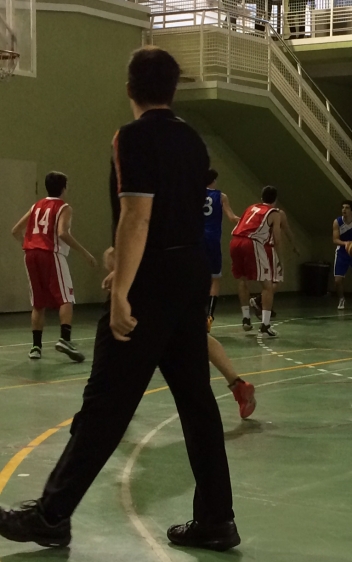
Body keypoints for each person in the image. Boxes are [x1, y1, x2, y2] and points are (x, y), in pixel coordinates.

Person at [0, 47, 240, 551]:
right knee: (197, 403)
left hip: (152, 284)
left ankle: (51, 515)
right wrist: (122, 256)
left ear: (129, 87)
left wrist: (122, 289)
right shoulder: (193, 140)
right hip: (189, 276)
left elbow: (138, 216)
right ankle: (217, 519)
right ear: (172, 89)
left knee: (105, 404)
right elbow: (171, 217)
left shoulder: (131, 137)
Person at [102, 248, 256, 420]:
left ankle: (117, 399)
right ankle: (237, 385)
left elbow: (152, 242)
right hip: (182, 269)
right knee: (191, 333)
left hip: (174, 269)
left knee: (169, 337)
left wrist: (125, 271)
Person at [10, 172, 97, 362]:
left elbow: (15, 230)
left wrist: (29, 244)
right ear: (64, 188)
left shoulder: (36, 206)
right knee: (67, 297)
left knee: (38, 302)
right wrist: (85, 253)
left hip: (30, 255)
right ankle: (65, 339)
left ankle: (36, 347)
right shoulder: (64, 207)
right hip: (51, 253)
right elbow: (62, 233)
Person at [231, 185, 290, 337]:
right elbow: (277, 238)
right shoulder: (274, 213)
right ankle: (265, 325)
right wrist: (281, 259)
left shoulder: (251, 207)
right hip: (251, 243)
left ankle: (246, 318)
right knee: (268, 285)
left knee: (243, 280)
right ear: (275, 199)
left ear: (261, 197)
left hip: (235, 241)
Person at [203, 168, 240, 332]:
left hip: (195, 239)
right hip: (212, 239)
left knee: (194, 277)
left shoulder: (194, 194)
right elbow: (232, 217)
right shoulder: (221, 196)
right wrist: (247, 221)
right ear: (213, 181)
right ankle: (209, 315)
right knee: (215, 279)